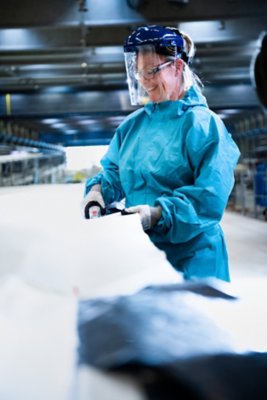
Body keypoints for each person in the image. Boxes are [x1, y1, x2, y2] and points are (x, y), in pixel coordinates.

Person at [82, 25, 240, 282]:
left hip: (194, 260)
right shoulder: (132, 127)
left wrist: (158, 214)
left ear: (177, 67)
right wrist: (97, 191)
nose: (143, 80)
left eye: (151, 71)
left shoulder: (203, 126)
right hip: (142, 257)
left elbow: (209, 197)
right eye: (139, 72)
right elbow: (114, 173)